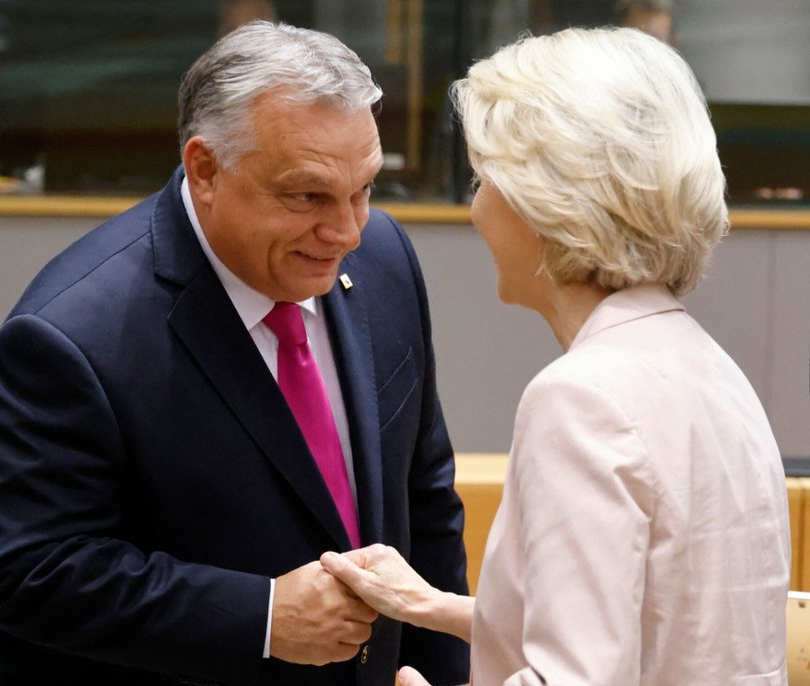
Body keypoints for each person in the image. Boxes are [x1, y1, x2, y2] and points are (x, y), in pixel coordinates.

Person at [0, 21, 470, 686]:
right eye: (306, 195)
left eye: (364, 189)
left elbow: (423, 498)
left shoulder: (384, 259)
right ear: (204, 169)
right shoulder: (69, 336)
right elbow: (32, 572)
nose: (344, 231)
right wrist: (260, 616)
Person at [322, 26, 790, 686]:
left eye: (484, 178)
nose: (475, 204)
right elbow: (661, 627)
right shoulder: (710, 369)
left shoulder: (580, 399)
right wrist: (428, 605)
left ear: (542, 203)